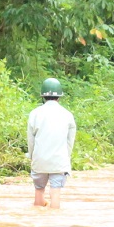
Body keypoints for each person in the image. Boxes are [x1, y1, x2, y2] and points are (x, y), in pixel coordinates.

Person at [27, 78, 76, 209]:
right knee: (55, 193)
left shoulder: (34, 114)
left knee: (38, 192)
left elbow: (31, 141)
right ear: (59, 97)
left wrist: (32, 156)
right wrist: (67, 157)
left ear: (43, 96)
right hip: (59, 161)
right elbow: (70, 142)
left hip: (39, 160)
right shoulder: (67, 115)